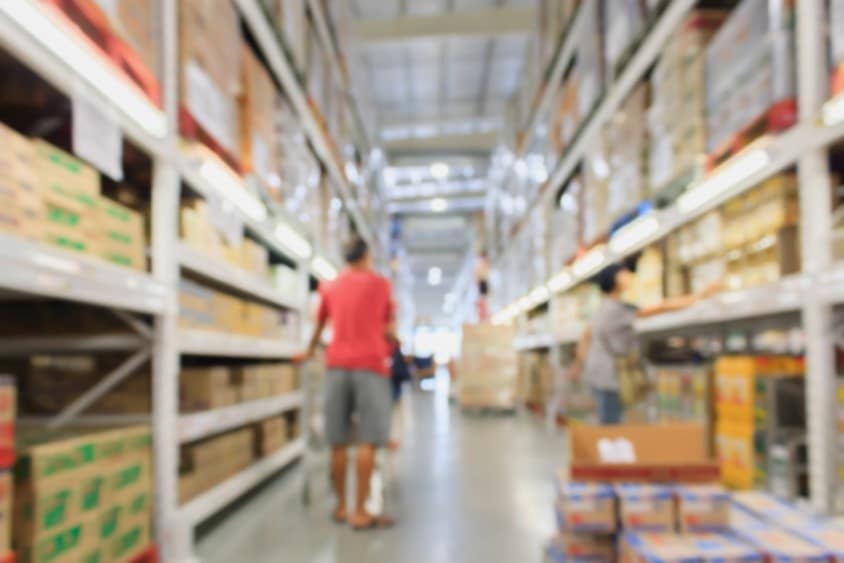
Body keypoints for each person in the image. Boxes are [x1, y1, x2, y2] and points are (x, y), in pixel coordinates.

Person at [302, 237, 395, 529]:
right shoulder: (381, 285)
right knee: (368, 439)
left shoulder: (330, 286)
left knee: (338, 440)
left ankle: (341, 507)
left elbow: (319, 325)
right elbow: (389, 329)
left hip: (336, 365)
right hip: (371, 365)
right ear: (366, 256)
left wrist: (307, 352)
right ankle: (360, 511)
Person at [569, 260, 718, 424]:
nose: (629, 276)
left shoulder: (602, 308)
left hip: (597, 373)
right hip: (610, 375)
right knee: (611, 424)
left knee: (607, 420)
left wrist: (580, 363)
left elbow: (585, 336)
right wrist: (700, 296)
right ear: (614, 279)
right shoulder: (618, 309)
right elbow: (661, 307)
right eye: (623, 273)